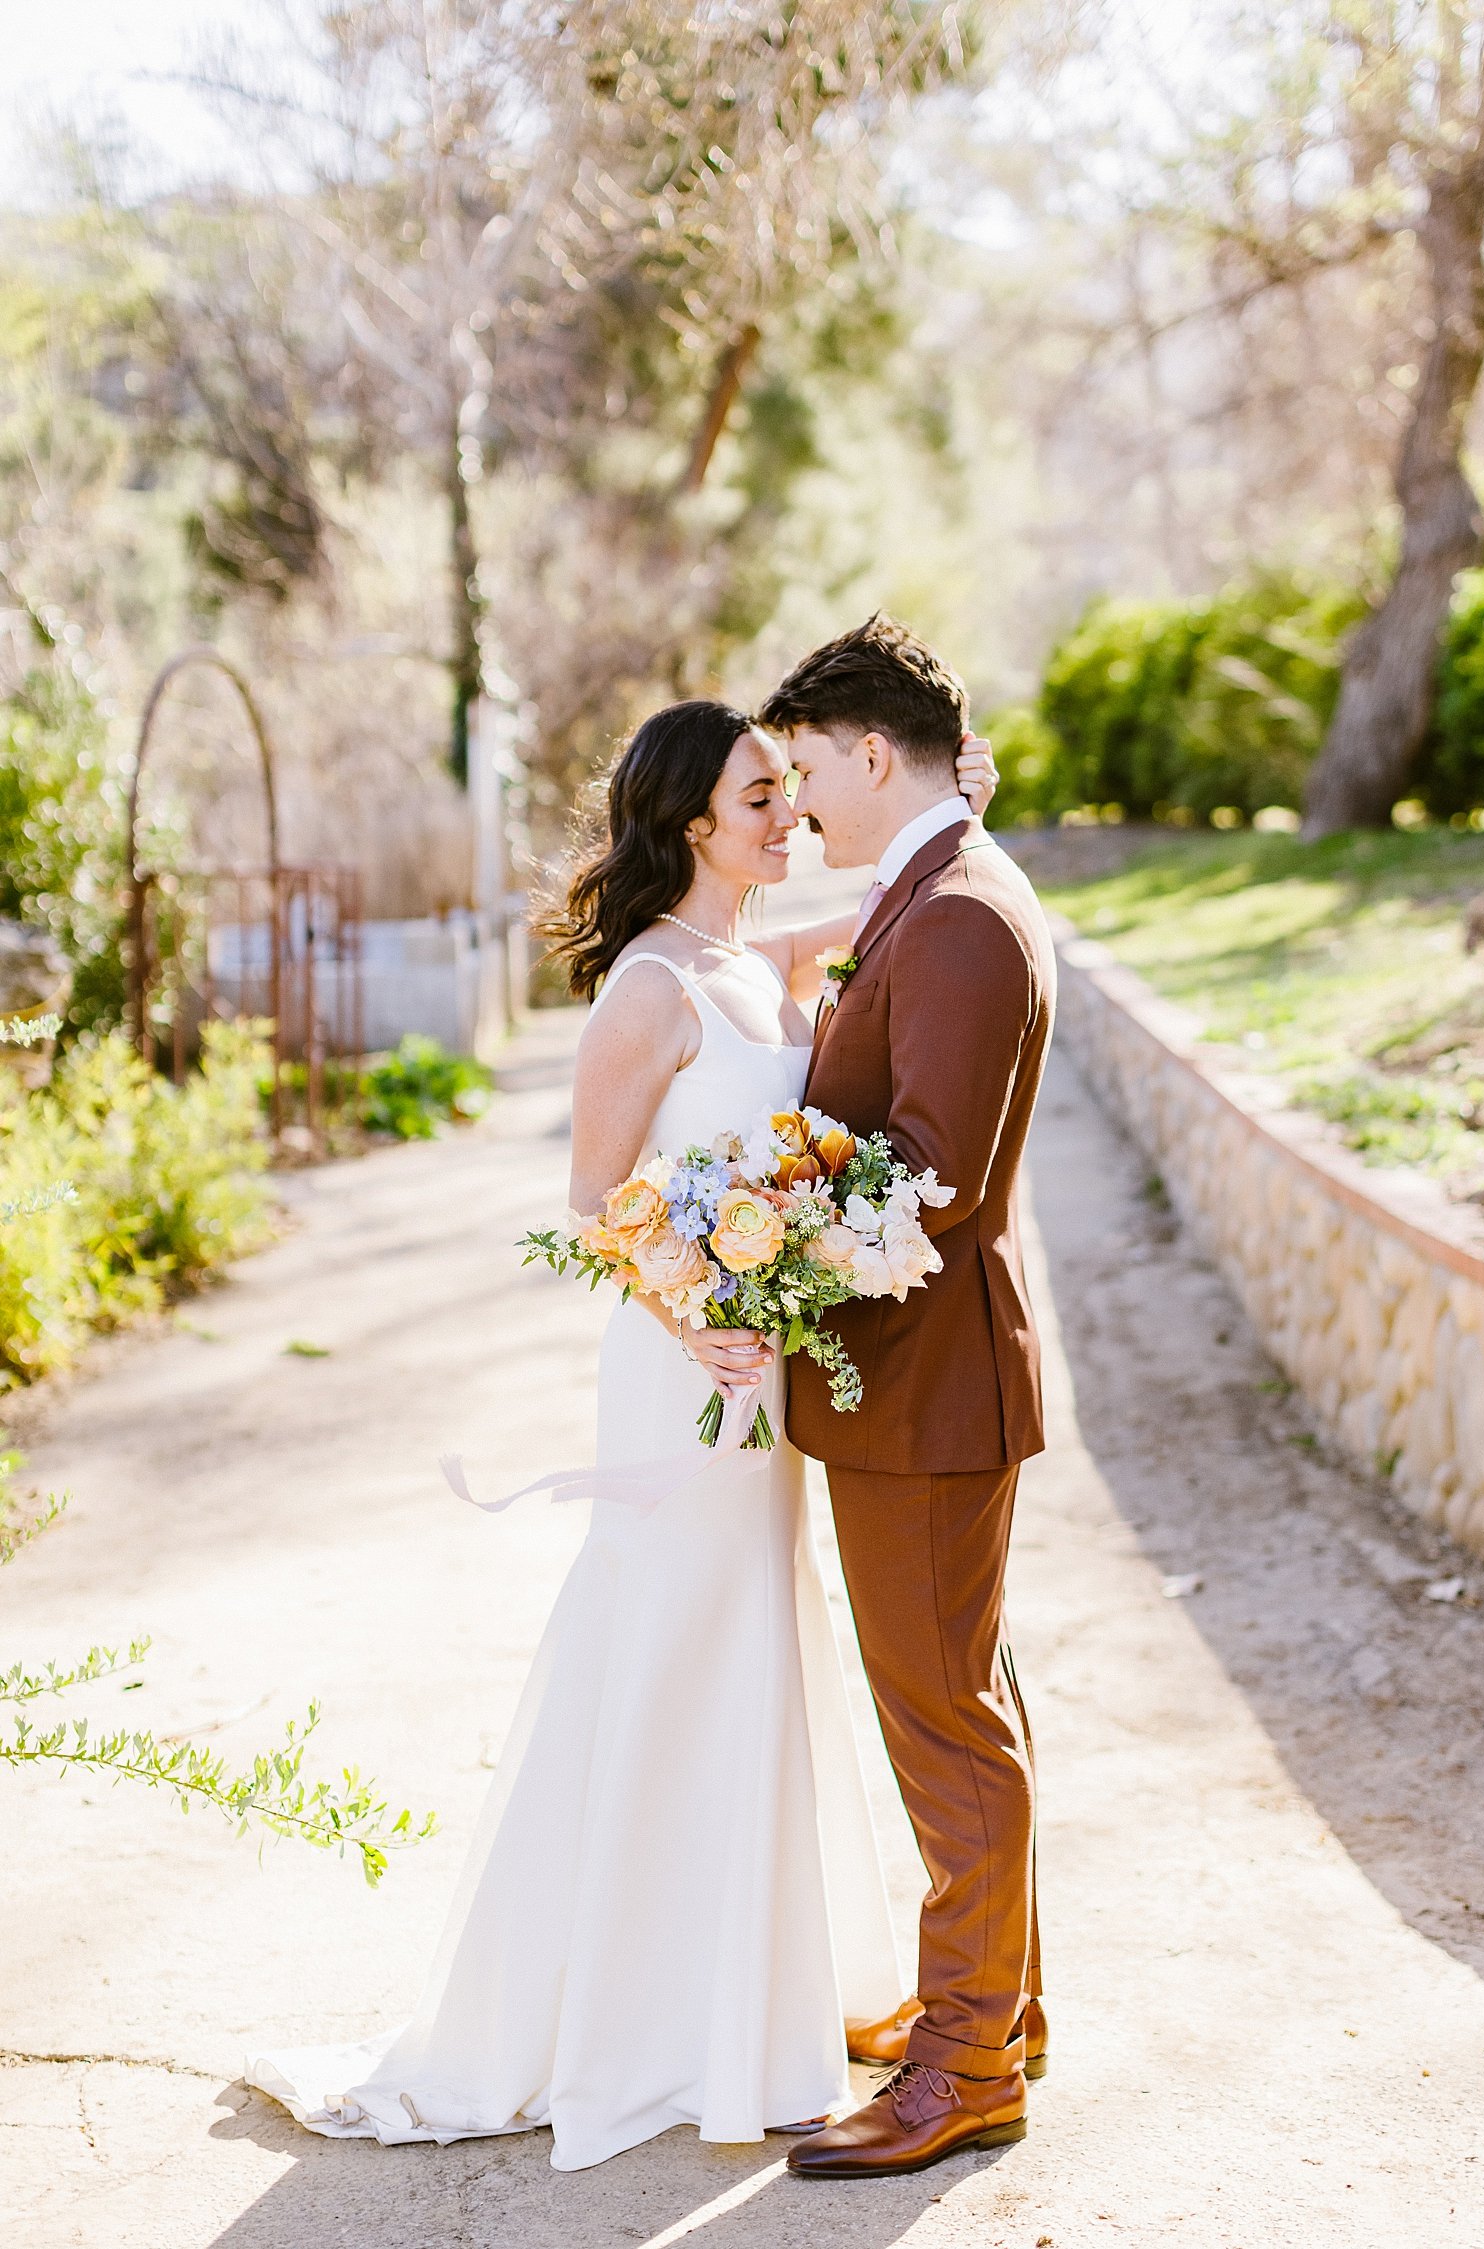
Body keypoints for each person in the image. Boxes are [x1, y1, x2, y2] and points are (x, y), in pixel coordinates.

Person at [243, 695, 998, 2171]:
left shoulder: (755, 964)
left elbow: (905, 895)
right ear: (691, 823)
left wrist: (961, 800)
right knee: (664, 1643)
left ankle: (744, 2001)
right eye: (762, 797)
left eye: (794, 790)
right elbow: (595, 1206)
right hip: (685, 1373)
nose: (792, 816)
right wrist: (696, 1316)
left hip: (763, 1378)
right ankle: (625, 2017)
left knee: (755, 1647)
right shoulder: (651, 987)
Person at [756, 613, 1057, 2179]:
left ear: (875, 752)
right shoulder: (935, 895)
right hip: (916, 1388)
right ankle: (991, 2002)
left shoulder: (958, 920)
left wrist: (755, 1216)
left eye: (809, 773)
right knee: (964, 1698)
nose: (802, 807)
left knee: (945, 1721)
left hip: (926, 1390)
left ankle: (968, 2067)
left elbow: (924, 1176)